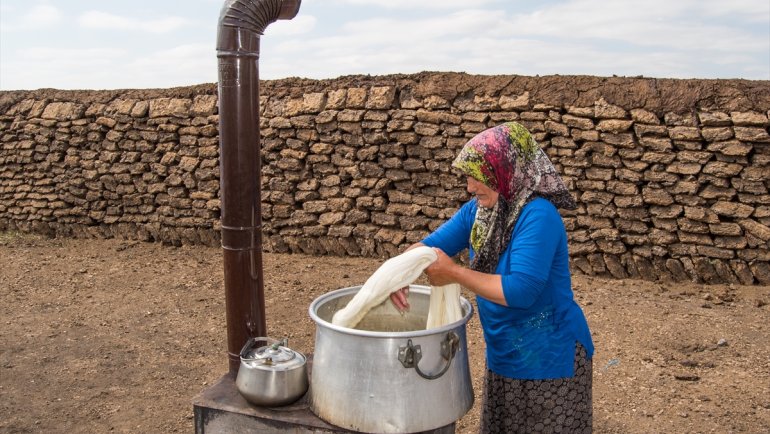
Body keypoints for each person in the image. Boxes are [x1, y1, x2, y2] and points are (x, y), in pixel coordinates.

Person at [390, 122, 594, 433]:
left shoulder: (538, 216)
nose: (470, 187)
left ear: (505, 171)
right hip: (505, 352)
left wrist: (454, 273)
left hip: (548, 357)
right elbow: (429, 246)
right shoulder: (480, 212)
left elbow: (521, 290)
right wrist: (400, 272)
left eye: (478, 176)